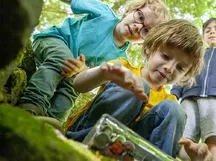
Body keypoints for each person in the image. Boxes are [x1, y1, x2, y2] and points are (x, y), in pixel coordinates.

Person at [15, 0, 170, 122]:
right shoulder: (104, 13)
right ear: (130, 10)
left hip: (71, 72)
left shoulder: (120, 61)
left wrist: (82, 70)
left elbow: (92, 81)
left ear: (142, 42)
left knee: (72, 88)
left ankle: (51, 121)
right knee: (62, 59)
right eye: (140, 17)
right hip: (54, 41)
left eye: (146, 31)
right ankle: (32, 104)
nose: (137, 26)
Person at [65, 19, 204, 158]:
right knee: (138, 84)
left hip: (128, 153)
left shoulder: (169, 103)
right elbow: (79, 84)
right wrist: (103, 74)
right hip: (89, 134)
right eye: (166, 56)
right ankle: (91, 144)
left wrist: (195, 156)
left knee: (174, 109)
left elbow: (173, 144)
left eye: (180, 68)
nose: (170, 68)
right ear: (150, 48)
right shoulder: (123, 68)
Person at [171, 18, 216, 161]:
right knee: (181, 142)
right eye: (208, 30)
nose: (212, 32)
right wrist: (174, 94)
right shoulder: (195, 54)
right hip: (189, 98)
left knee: (215, 144)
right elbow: (182, 73)